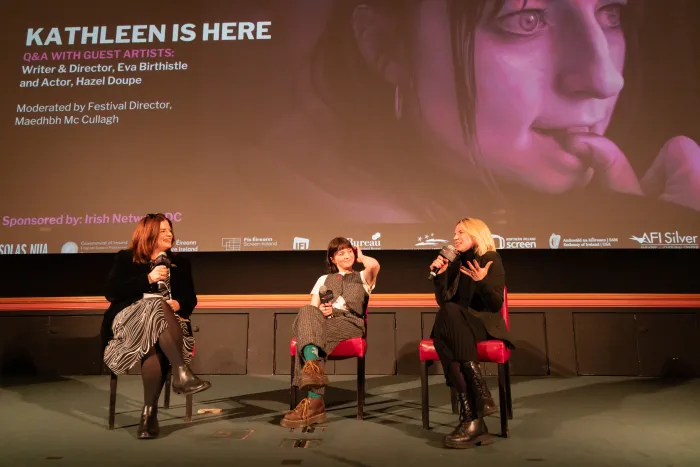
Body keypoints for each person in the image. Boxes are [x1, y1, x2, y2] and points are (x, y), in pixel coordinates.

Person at [100, 213, 211, 439]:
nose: (170, 234)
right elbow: (112, 293)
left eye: (170, 229)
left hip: (167, 331)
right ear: (148, 234)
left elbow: (190, 299)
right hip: (128, 324)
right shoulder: (125, 259)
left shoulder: (181, 264)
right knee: (156, 306)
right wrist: (148, 279)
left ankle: (148, 414)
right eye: (163, 231)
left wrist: (177, 303)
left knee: (156, 335)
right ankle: (181, 373)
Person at [430, 217, 514, 449]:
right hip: (459, 327)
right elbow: (444, 301)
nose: (455, 237)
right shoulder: (455, 263)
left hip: (482, 324)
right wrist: (439, 276)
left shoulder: (490, 259)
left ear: (477, 234)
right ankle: (476, 414)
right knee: (447, 317)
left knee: (445, 335)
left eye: (461, 233)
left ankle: (471, 417)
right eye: (454, 233)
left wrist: (483, 281)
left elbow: (495, 304)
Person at [281, 237, 380, 428]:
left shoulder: (362, 277)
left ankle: (314, 401)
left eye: (349, 251)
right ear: (332, 259)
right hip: (326, 323)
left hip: (350, 322)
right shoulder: (323, 280)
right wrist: (322, 313)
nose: (346, 255)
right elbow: (312, 309)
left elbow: (374, 266)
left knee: (310, 336)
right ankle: (313, 375)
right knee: (306, 312)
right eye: (340, 253)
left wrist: (361, 256)